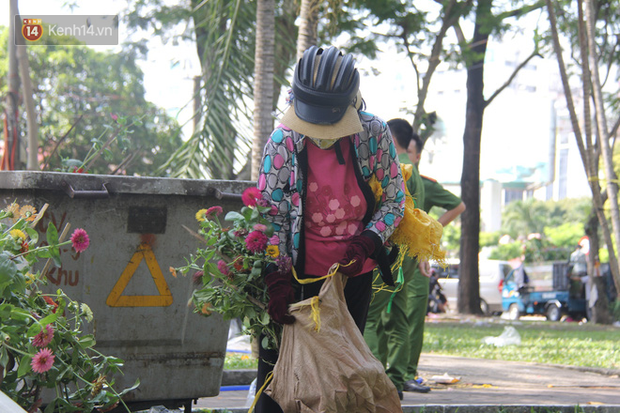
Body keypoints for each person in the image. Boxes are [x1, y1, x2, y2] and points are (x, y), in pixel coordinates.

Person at [255, 45, 405, 413]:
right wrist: (276, 276)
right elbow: (269, 216)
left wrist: (368, 241)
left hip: (352, 274)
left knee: (341, 375)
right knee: (279, 378)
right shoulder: (282, 142)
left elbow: (394, 200)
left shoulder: (373, 134)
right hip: (295, 276)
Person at [363, 118, 425, 399]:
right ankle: (397, 379)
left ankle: (374, 379)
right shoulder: (418, 173)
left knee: (370, 317)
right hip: (409, 256)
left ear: (389, 136)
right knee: (398, 316)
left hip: (388, 253)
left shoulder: (391, 166)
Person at [403, 132, 465, 393]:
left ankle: (406, 373)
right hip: (386, 262)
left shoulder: (424, 184)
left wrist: (429, 232)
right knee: (382, 319)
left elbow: (457, 205)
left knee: (412, 318)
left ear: (417, 156)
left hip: (416, 260)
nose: (403, 155)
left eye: (408, 151)